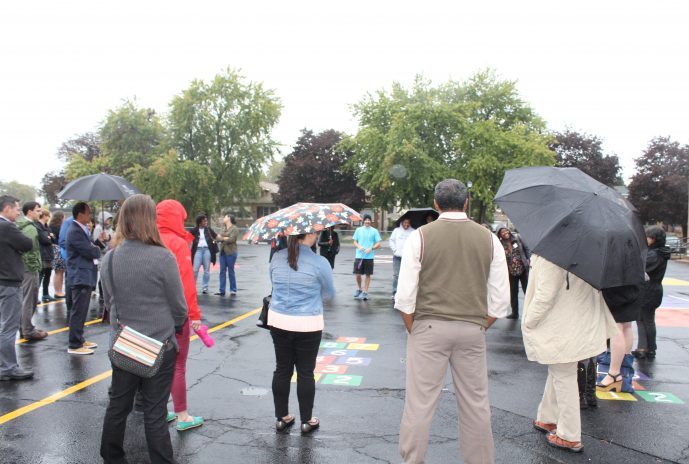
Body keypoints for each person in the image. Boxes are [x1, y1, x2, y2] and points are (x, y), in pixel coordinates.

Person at [395, 179, 510, 464]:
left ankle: (413, 460)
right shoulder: (489, 238)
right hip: (472, 327)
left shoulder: (420, 236)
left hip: (428, 326)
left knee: (419, 403)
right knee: (475, 404)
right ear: (467, 202)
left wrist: (414, 327)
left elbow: (405, 295)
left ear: (436, 203)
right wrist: (481, 324)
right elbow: (500, 299)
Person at [100, 194, 188, 463]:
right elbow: (179, 307)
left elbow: (108, 302)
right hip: (159, 344)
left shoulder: (110, 258)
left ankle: (112, 456)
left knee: (118, 406)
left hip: (125, 344)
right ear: (151, 220)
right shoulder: (163, 258)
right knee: (155, 412)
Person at [524, 254, 617, 453]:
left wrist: (529, 321)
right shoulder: (586, 253)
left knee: (563, 375)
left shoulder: (552, 254)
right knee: (559, 369)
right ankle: (547, 417)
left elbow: (545, 295)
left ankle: (569, 435)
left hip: (560, 324)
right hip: (577, 321)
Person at [268, 232, 335, 434]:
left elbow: (273, 283)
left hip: (279, 320)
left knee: (282, 369)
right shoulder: (319, 261)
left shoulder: (277, 257)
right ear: (311, 234)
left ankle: (281, 417)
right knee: (305, 372)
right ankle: (307, 420)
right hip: (308, 323)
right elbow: (329, 293)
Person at [156, 199, 205, 431]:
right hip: (176, 315)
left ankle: (160, 410)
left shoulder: (148, 240)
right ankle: (182, 415)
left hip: (150, 315)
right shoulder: (178, 243)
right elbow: (186, 284)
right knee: (177, 365)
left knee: (154, 364)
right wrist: (194, 315)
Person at [0, 195, 35, 381]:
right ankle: (8, 367)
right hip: (8, 281)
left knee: (3, 325)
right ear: (6, 209)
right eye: (15, 209)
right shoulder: (6, 226)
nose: (17, 212)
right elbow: (27, 244)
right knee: (8, 326)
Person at [65, 202, 103, 355]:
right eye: (88, 213)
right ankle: (74, 344)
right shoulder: (74, 231)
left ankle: (79, 339)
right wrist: (97, 248)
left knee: (82, 310)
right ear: (80, 214)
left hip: (84, 274)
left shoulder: (81, 229)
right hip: (80, 275)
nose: (90, 216)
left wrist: (97, 243)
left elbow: (91, 247)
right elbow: (89, 251)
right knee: (78, 311)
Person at [593, 284, 641, 396]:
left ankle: (614, 374)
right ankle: (623, 372)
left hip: (618, 284)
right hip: (636, 283)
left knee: (616, 326)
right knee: (626, 326)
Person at [633, 226, 671, 359]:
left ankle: (643, 348)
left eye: (648, 237)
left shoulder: (653, 254)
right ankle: (650, 347)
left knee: (642, 319)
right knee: (648, 319)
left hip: (648, 289)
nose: (646, 239)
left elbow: (640, 268)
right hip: (655, 289)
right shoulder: (661, 252)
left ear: (654, 239)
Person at [16, 201, 48, 340]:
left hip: (23, 267)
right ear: (29, 212)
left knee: (25, 299)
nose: (40, 212)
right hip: (29, 268)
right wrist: (34, 265)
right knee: (30, 299)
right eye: (37, 210)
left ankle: (24, 327)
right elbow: (29, 249)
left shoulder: (22, 225)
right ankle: (28, 329)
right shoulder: (30, 228)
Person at [496, 226, 530, 319]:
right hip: (510, 271)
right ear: (499, 234)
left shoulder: (517, 237)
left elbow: (526, 249)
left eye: (505, 230)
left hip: (522, 269)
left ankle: (530, 313)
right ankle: (515, 313)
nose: (505, 232)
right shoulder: (500, 244)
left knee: (527, 291)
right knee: (513, 293)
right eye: (502, 232)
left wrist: (529, 260)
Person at [352, 214, 381, 300]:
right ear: (363, 221)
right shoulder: (358, 230)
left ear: (370, 221)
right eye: (366, 220)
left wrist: (371, 248)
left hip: (369, 257)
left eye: (369, 220)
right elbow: (354, 241)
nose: (367, 221)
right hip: (359, 256)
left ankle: (365, 291)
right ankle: (359, 289)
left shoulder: (374, 231)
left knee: (368, 274)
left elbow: (378, 243)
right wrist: (359, 246)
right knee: (358, 274)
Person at [190, 214, 218, 294]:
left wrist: (224, 238)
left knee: (206, 270)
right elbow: (187, 237)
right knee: (195, 270)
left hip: (207, 250)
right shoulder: (194, 230)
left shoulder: (208, 229)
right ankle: (192, 286)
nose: (206, 222)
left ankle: (205, 287)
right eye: (204, 220)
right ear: (200, 222)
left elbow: (216, 236)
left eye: (206, 220)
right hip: (197, 251)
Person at [389, 218, 414, 299]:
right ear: (402, 222)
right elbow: (391, 241)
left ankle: (405, 293)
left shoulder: (413, 231)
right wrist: (395, 250)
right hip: (397, 257)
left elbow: (415, 243)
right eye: (405, 222)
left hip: (408, 257)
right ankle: (394, 292)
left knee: (407, 276)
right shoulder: (396, 230)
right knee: (396, 275)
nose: (406, 224)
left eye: (408, 222)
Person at [215, 214, 239, 296]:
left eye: (225, 217)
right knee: (222, 271)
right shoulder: (223, 228)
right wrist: (224, 238)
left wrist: (222, 237)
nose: (223, 218)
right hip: (222, 252)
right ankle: (222, 290)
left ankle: (233, 290)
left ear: (229, 218)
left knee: (231, 271)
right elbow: (217, 238)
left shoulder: (234, 228)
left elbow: (232, 239)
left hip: (231, 252)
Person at [37, 209, 56, 303]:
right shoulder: (38, 226)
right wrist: (49, 237)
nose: (48, 218)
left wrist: (50, 237)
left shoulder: (47, 227)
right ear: (44, 216)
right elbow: (44, 240)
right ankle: (35, 296)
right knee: (40, 275)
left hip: (49, 254)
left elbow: (53, 239)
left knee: (48, 275)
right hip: (42, 254)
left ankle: (45, 294)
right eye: (48, 216)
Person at [48, 211, 66, 299]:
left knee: (58, 272)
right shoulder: (59, 228)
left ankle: (58, 290)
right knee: (59, 272)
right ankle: (58, 291)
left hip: (53, 251)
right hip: (58, 250)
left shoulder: (50, 227)